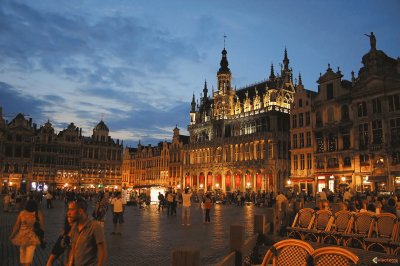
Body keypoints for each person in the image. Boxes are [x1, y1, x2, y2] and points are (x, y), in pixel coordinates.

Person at [67, 198, 107, 266]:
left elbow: (102, 252)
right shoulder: (74, 227)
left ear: (80, 211)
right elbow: (73, 249)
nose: (68, 213)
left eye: (71, 210)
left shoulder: (95, 226)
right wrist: (70, 263)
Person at [9, 199, 44, 266]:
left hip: (22, 238)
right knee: (28, 260)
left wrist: (12, 235)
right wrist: (42, 237)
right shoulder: (38, 213)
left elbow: (16, 226)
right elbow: (42, 227)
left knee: (22, 259)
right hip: (32, 239)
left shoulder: (22, 213)